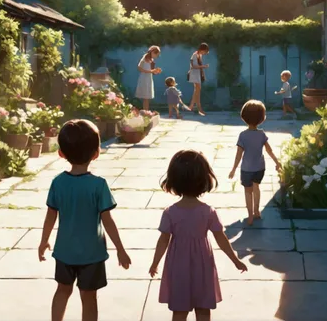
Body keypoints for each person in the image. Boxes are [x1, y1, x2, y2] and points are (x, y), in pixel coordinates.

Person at [39, 119, 131, 321]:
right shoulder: (98, 185)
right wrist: (121, 249)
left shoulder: (58, 183)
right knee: (89, 297)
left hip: (64, 251)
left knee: (62, 290)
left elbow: (50, 215)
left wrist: (44, 240)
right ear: (96, 153)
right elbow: (108, 221)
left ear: (61, 153)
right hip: (92, 254)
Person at [149, 150, 248, 321]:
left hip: (178, 265)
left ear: (173, 180)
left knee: (179, 310)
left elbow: (163, 241)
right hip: (203, 265)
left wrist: (155, 263)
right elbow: (221, 239)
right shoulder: (208, 212)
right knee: (203, 309)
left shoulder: (170, 213)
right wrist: (235, 259)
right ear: (204, 179)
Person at [228, 100, 283, 226]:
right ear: (261, 118)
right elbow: (269, 150)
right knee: (256, 187)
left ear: (244, 116)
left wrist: (233, 169)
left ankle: (250, 215)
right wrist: (277, 161)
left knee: (248, 191)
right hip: (259, 168)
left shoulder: (243, 135)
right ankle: (257, 211)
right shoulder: (262, 134)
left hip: (247, 168)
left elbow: (238, 155)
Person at [136, 46, 162, 111]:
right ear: (153, 52)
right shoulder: (145, 58)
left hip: (149, 79)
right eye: (156, 55)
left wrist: (156, 71)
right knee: (145, 97)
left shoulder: (152, 60)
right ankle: (145, 112)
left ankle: (146, 112)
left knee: (147, 97)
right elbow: (139, 68)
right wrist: (150, 71)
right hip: (144, 78)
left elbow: (152, 71)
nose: (156, 57)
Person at [187, 43, 210, 116]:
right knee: (197, 90)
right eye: (205, 51)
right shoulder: (195, 55)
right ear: (202, 49)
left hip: (197, 74)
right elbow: (193, 66)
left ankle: (194, 107)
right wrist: (203, 66)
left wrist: (203, 75)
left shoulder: (199, 55)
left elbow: (199, 66)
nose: (205, 53)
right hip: (194, 74)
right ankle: (195, 107)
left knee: (197, 91)